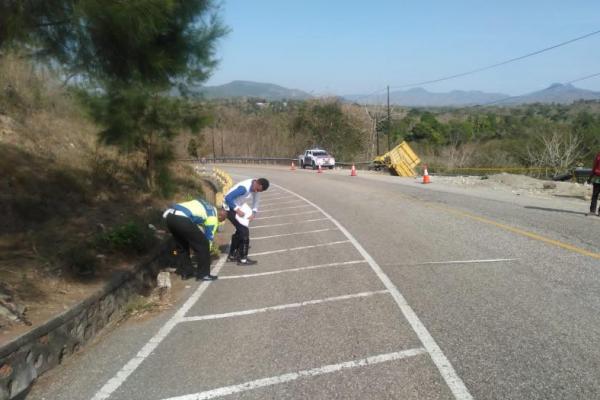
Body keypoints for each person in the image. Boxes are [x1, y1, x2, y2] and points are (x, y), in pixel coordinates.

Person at [163, 198, 227, 280]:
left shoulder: (207, 205)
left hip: (170, 216)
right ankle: (203, 274)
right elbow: (208, 238)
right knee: (203, 245)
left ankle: (187, 272)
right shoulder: (213, 218)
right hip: (182, 219)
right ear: (220, 215)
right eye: (221, 220)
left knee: (182, 246)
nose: (220, 222)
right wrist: (207, 251)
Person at [223, 178, 270, 265]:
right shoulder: (244, 188)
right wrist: (237, 210)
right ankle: (243, 259)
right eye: (256, 189)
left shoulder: (257, 188)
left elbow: (256, 201)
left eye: (259, 191)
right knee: (244, 231)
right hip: (229, 207)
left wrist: (254, 213)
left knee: (240, 230)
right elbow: (227, 198)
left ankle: (232, 255)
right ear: (257, 183)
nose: (256, 192)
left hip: (239, 204)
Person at [587, 151, 600, 216]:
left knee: (595, 195)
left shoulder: (598, 156)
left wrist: (590, 178)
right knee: (595, 195)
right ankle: (592, 211)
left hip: (597, 178)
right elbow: (594, 167)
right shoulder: (598, 156)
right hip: (597, 179)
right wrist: (590, 178)